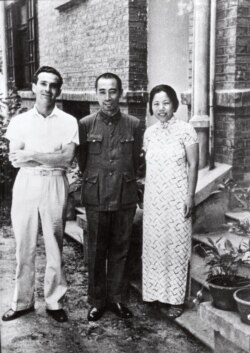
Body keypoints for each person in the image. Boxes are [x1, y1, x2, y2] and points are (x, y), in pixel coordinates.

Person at [2, 66, 79, 323]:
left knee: (54, 244)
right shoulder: (19, 121)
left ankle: (55, 302)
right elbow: (16, 159)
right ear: (34, 86)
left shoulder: (68, 121)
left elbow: (67, 160)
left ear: (59, 89)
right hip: (26, 184)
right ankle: (22, 302)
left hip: (55, 184)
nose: (48, 89)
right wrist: (49, 157)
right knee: (24, 245)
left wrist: (32, 154)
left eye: (53, 84)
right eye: (43, 83)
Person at [77, 72, 141, 321]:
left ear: (121, 93)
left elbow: (135, 161)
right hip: (97, 196)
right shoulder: (85, 124)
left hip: (124, 197)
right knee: (95, 250)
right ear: (96, 94)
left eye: (112, 91)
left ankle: (117, 299)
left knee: (120, 249)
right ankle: (96, 301)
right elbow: (83, 162)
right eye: (102, 91)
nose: (107, 97)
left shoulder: (134, 124)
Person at [142, 84, 199, 319]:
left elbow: (193, 165)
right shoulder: (149, 133)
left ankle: (175, 299)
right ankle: (155, 294)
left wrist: (189, 196)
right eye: (156, 103)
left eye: (165, 102)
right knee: (155, 246)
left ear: (174, 104)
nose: (161, 108)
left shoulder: (186, 130)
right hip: (154, 198)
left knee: (176, 246)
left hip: (177, 197)